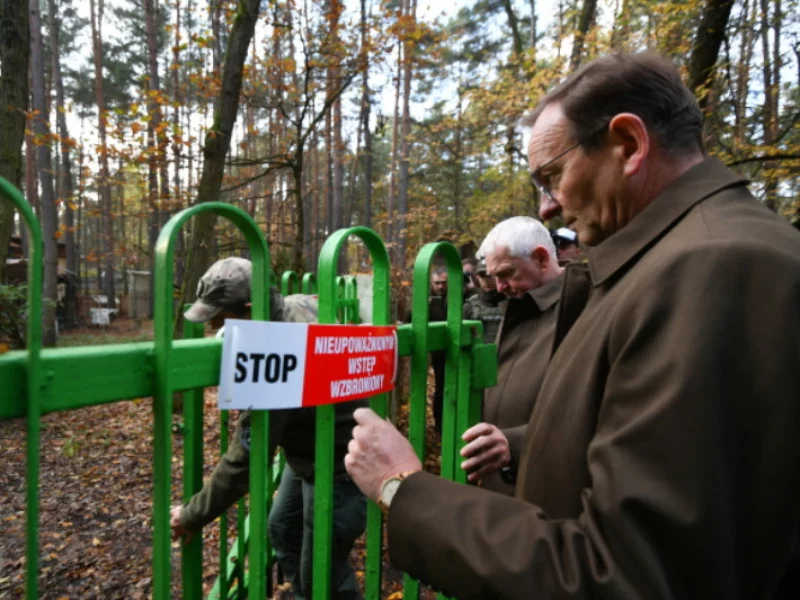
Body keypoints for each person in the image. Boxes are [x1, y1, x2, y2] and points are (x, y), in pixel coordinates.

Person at [344, 52, 800, 599]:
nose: (548, 207)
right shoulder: (668, 261)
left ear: (628, 145)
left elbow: (625, 575)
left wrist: (405, 489)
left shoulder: (711, 268)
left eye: (552, 176)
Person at [170, 257, 366, 600]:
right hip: (312, 450)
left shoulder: (277, 352)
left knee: (324, 573)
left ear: (250, 309)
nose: (213, 325)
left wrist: (192, 515)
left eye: (220, 316)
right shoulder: (295, 305)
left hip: (340, 467)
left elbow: (247, 457)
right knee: (282, 527)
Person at [461, 217, 589, 496]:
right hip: (505, 482)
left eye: (506, 274)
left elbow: (590, 412)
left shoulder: (585, 305)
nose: (499, 287)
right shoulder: (520, 303)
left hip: (552, 485)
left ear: (541, 259)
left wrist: (516, 444)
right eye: (494, 277)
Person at [406, 267, 449, 434]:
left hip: (460, 352)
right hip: (440, 355)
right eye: (437, 283)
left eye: (444, 283)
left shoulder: (458, 297)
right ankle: (440, 427)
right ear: (432, 283)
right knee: (441, 388)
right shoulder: (426, 301)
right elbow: (410, 322)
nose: (440, 286)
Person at [461, 257, 505, 345]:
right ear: (477, 278)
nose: (486, 280)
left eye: (489, 275)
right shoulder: (470, 305)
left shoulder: (513, 302)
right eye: (482, 276)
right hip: (480, 355)